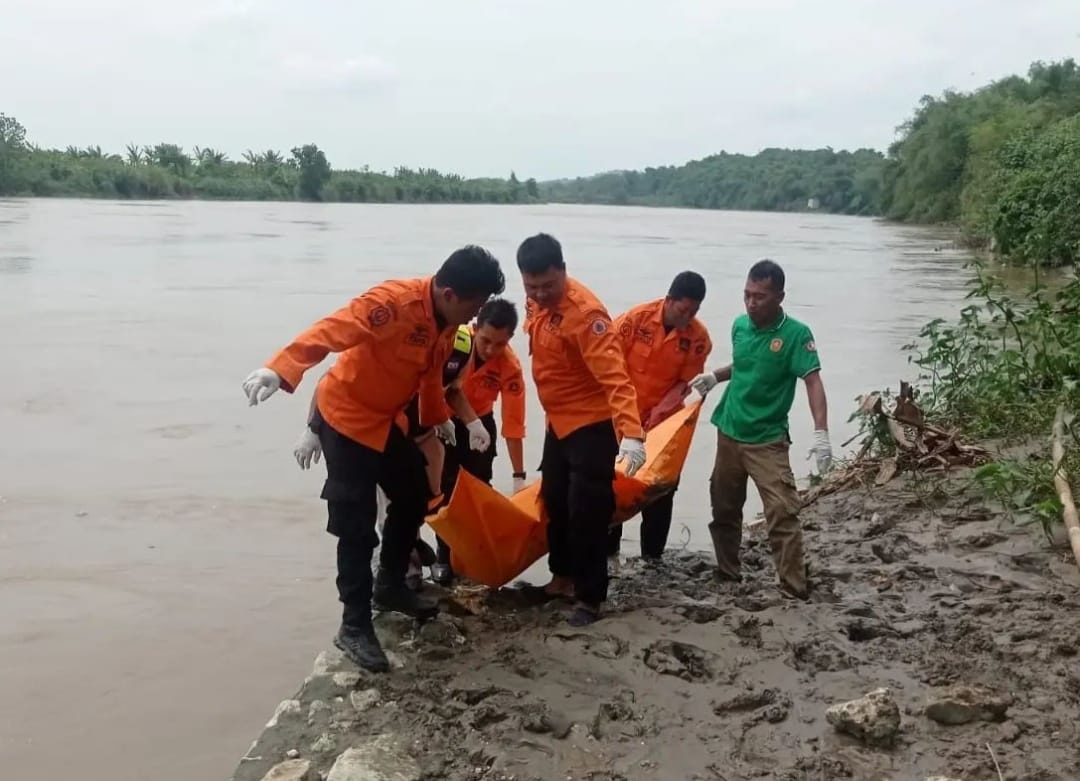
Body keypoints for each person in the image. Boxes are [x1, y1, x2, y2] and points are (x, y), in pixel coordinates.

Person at [241, 246, 505, 672]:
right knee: (357, 525)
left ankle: (389, 586)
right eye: (473, 307)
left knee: (415, 494)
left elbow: (431, 379)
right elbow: (332, 330)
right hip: (345, 419)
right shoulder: (393, 303)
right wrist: (281, 368)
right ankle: (354, 625)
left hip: (386, 421)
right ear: (451, 293)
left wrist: (442, 422)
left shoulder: (445, 322)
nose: (474, 319)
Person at [292, 323, 491, 591]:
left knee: (429, 498)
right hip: (385, 436)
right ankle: (401, 572)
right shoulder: (402, 338)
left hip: (425, 433)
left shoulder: (463, 346)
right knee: (388, 508)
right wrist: (312, 428)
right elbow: (332, 382)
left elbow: (452, 389)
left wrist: (472, 423)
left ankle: (419, 548)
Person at [516, 232, 646, 626]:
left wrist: (633, 434)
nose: (539, 293)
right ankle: (562, 577)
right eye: (531, 286)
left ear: (564, 272)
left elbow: (615, 378)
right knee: (553, 500)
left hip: (592, 426)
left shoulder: (586, 316)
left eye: (548, 285)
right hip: (557, 424)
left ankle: (590, 597)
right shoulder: (535, 300)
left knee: (586, 511)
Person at [688, 259, 832, 600]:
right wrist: (716, 377)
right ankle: (727, 572)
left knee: (782, 511)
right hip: (729, 429)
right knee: (723, 507)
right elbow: (747, 363)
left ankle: (793, 588)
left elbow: (812, 381)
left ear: (779, 297)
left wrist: (821, 432)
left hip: (767, 439)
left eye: (761, 296)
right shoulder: (740, 326)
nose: (752, 303)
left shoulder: (796, 335)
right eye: (747, 295)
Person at [606, 271, 712, 564]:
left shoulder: (699, 338)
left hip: (664, 423)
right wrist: (628, 418)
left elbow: (685, 383)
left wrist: (660, 413)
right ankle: (609, 554)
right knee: (613, 485)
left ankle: (652, 559)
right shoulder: (635, 320)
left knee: (660, 492)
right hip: (620, 418)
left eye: (694, 311)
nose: (687, 317)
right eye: (682, 309)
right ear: (668, 300)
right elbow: (608, 363)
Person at [430, 297, 528, 585]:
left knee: (477, 489)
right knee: (443, 490)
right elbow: (433, 387)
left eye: (499, 344)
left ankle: (472, 556)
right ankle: (443, 558)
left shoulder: (510, 366)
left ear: (510, 339)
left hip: (481, 426)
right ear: (474, 327)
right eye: (485, 341)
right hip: (442, 421)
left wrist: (519, 475)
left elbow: (514, 422)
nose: (490, 350)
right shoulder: (456, 345)